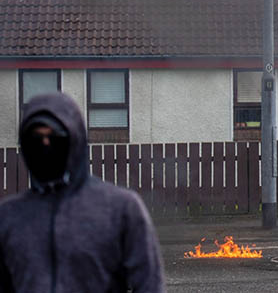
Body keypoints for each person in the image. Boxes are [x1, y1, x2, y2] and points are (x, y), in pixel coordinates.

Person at [0, 92, 165, 292]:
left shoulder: (120, 208)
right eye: (36, 138)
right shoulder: (8, 216)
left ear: (74, 139)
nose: (45, 144)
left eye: (54, 136)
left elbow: (149, 285)